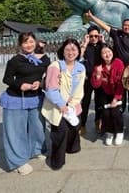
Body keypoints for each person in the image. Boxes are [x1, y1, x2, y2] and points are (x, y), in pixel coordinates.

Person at [0, 32, 49, 175]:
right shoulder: (15, 61)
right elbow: (7, 79)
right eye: (25, 42)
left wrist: (41, 82)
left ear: (36, 42)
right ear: (20, 45)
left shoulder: (44, 59)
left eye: (31, 41)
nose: (29, 45)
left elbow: (48, 75)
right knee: (16, 131)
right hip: (16, 99)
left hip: (36, 97)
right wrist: (20, 85)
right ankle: (18, 161)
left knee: (38, 127)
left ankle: (37, 150)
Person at [41, 38, 85, 170]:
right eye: (67, 49)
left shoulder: (80, 67)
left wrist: (72, 104)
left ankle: (72, 148)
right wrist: (61, 104)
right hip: (57, 105)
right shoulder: (55, 66)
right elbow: (51, 88)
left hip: (72, 104)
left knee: (74, 126)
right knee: (60, 131)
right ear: (62, 51)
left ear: (78, 51)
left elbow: (79, 89)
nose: (70, 52)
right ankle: (56, 161)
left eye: (74, 49)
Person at [90, 44, 125, 145]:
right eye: (104, 53)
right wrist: (98, 74)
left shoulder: (118, 63)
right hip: (105, 93)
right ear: (100, 55)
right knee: (105, 113)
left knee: (115, 112)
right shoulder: (98, 66)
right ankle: (109, 132)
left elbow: (121, 83)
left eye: (108, 51)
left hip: (118, 92)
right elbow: (95, 85)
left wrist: (116, 99)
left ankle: (119, 131)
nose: (107, 54)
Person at [78, 27, 101, 136]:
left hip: (99, 78)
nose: (93, 38)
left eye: (96, 36)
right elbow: (78, 58)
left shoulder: (102, 46)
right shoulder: (85, 47)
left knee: (99, 101)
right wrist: (85, 43)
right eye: (91, 36)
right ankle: (82, 124)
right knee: (85, 102)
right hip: (87, 79)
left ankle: (98, 122)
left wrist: (104, 41)